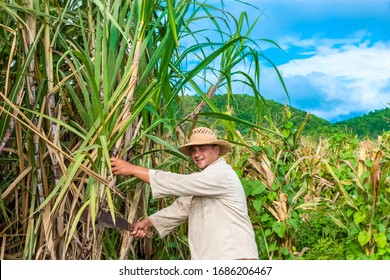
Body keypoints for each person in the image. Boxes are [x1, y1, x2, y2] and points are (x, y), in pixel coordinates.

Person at [110, 127, 258, 260]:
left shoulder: (221, 175)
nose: (196, 154)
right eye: (193, 150)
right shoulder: (204, 182)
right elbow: (181, 208)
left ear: (216, 150)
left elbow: (179, 182)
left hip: (234, 258)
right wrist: (146, 223)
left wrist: (133, 169)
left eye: (202, 148)